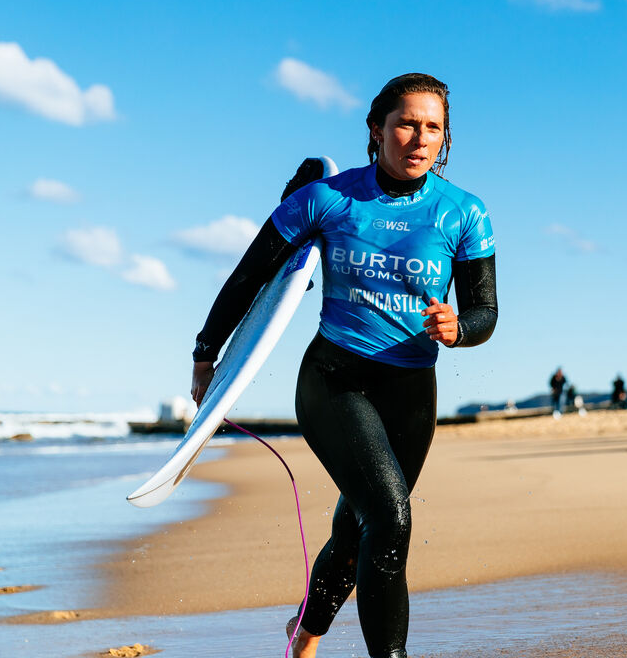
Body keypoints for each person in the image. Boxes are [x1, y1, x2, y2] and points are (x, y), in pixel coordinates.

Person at [189, 73, 497, 658]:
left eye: (433, 128)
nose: (419, 139)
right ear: (376, 129)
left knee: (358, 532)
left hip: (411, 390)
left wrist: (461, 330)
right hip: (335, 379)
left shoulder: (464, 213)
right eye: (406, 123)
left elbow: (485, 313)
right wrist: (208, 353)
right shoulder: (327, 199)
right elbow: (251, 274)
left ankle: (305, 630)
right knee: (391, 518)